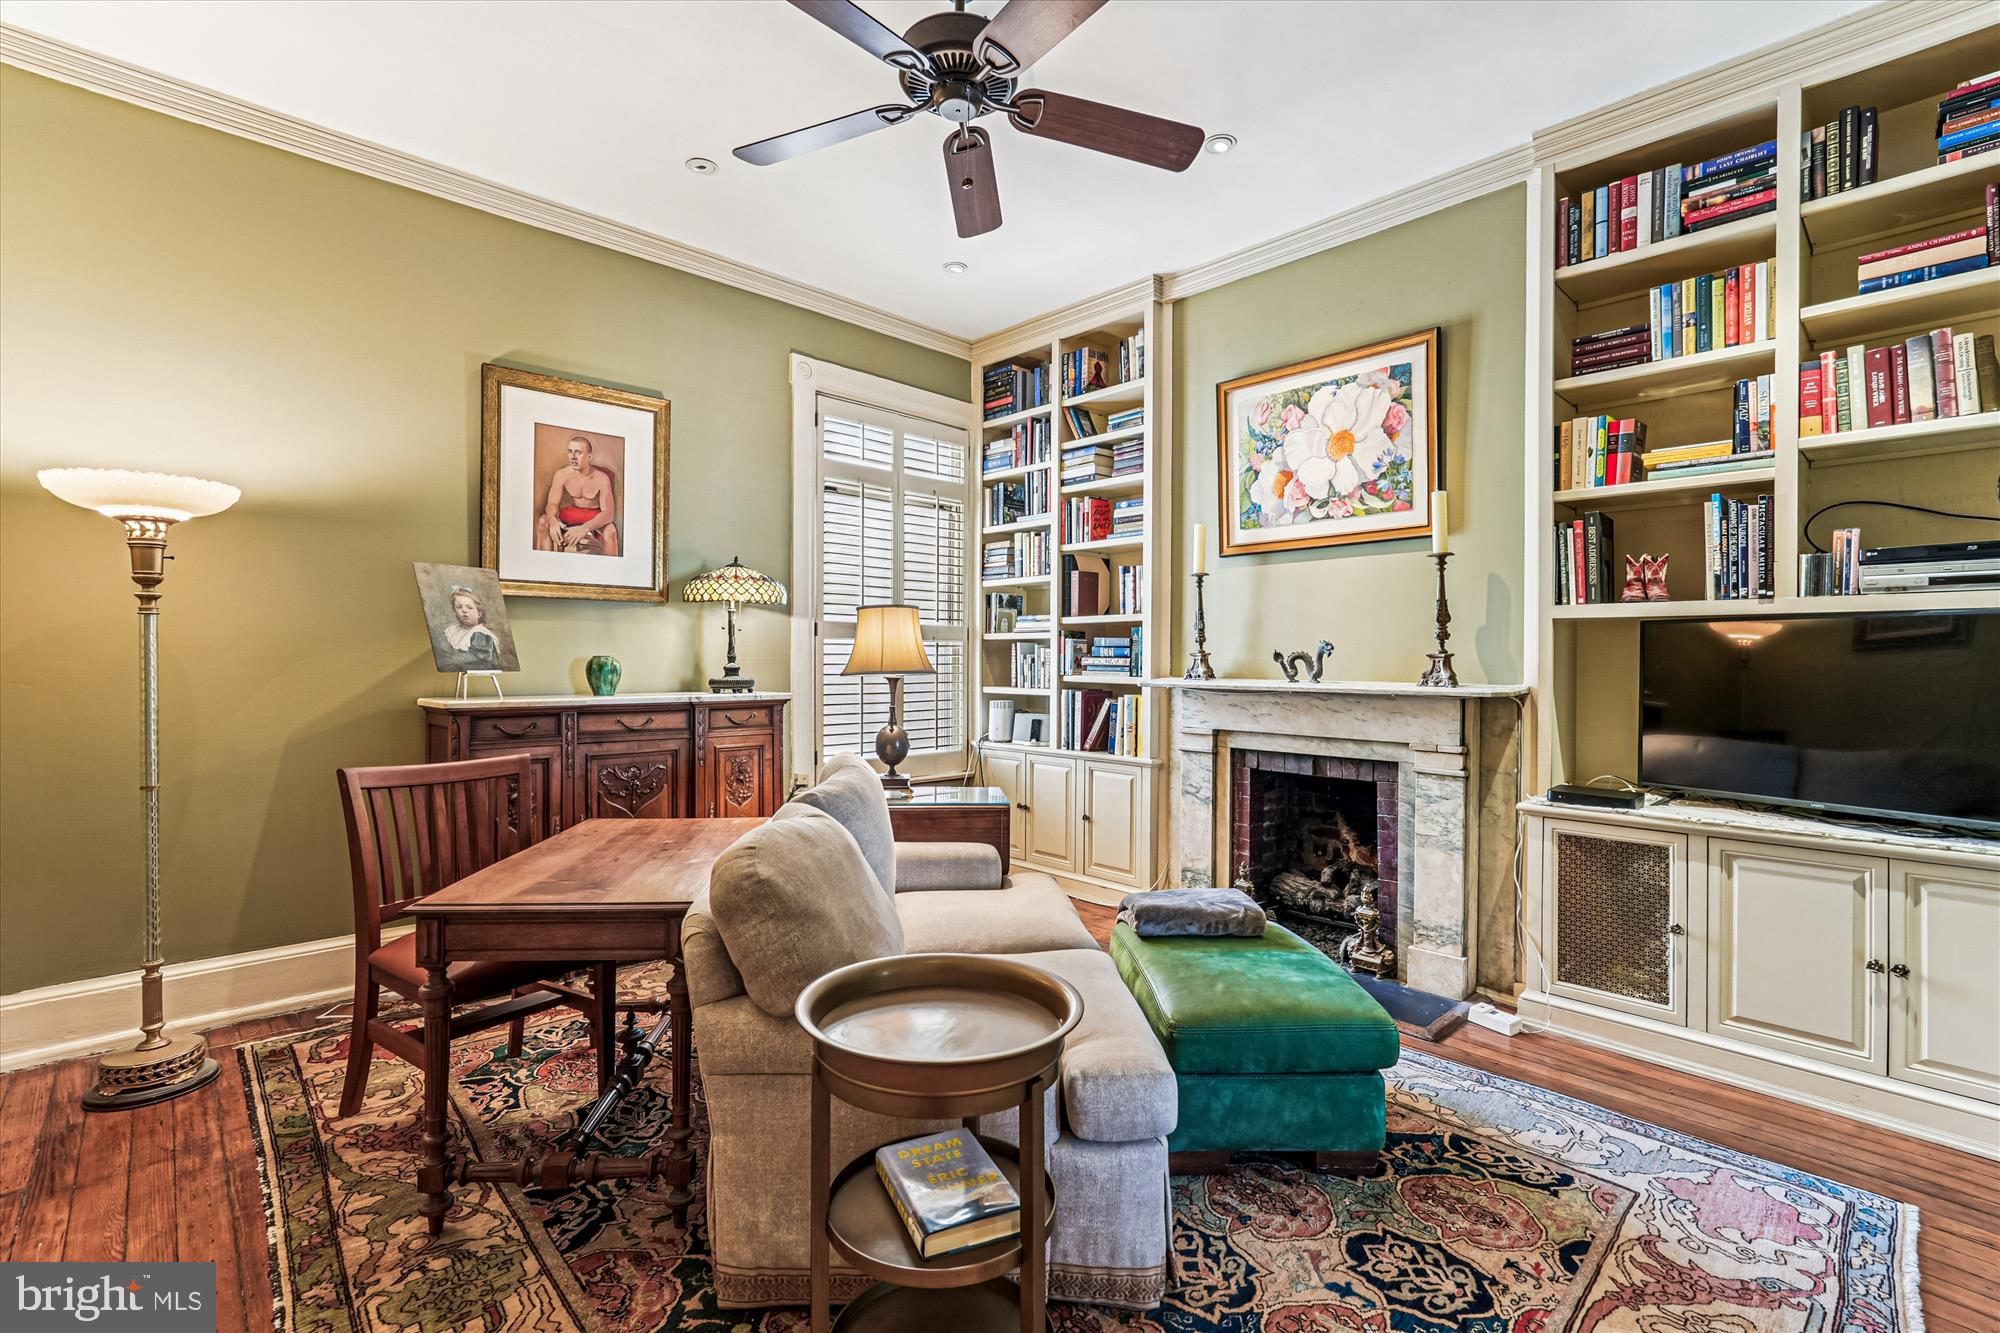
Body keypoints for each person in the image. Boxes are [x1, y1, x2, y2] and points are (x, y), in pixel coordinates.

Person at [536, 434, 619, 555]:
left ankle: (612, 570)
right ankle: (543, 565)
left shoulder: (602, 478)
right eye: (570, 452)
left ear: (589, 456)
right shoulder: (562, 474)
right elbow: (552, 503)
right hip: (572, 513)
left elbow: (608, 513)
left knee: (611, 531)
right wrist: (552, 519)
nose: (573, 457)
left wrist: (584, 528)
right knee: (543, 521)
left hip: (593, 516)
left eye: (578, 452)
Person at [443, 586, 504, 671]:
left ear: (479, 613)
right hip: (462, 668)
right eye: (459, 607)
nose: (464, 610)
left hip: (482, 670)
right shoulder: (454, 631)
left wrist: (452, 659)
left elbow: (480, 657)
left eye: (469, 607)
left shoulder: (480, 633)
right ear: (455, 611)